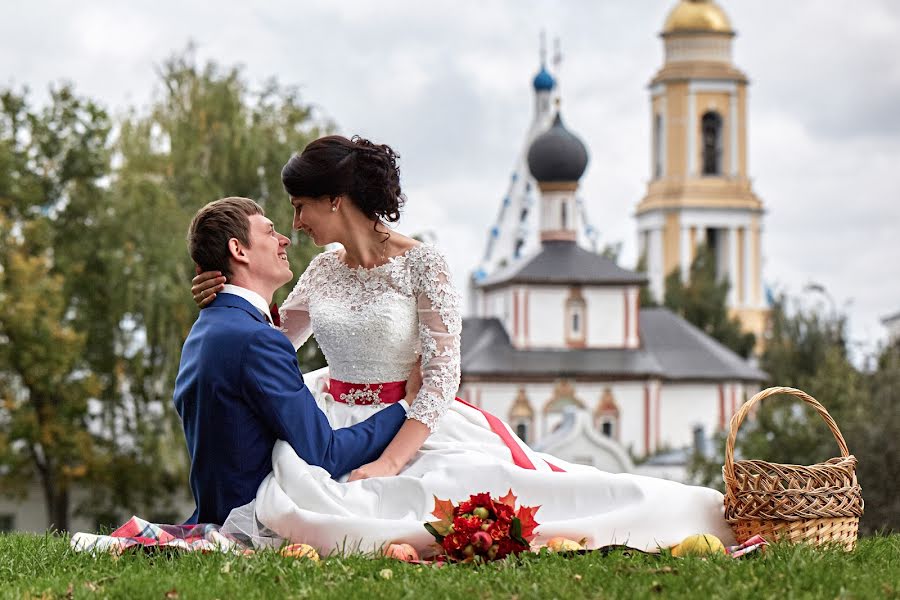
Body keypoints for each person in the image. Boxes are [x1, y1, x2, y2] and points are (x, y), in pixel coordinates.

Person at [191, 136, 735, 555]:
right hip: (331, 419)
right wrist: (226, 291)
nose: (294, 225)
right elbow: (270, 341)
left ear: (335, 201)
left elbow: (442, 375)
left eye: (300, 206)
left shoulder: (424, 265)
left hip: (411, 423)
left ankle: (691, 513)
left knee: (490, 492)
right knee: (310, 505)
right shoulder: (323, 270)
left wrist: (391, 461)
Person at [175, 196, 409, 525]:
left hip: (218, 503)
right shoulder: (256, 340)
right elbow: (326, 454)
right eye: (270, 232)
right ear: (238, 250)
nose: (285, 237)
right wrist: (405, 407)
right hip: (255, 515)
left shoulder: (206, 329)